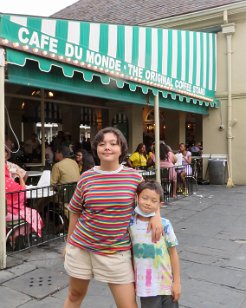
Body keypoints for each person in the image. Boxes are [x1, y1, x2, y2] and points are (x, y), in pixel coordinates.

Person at [63, 127, 163, 308]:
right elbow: (75, 211)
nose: (107, 147)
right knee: (75, 294)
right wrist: (69, 243)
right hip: (82, 247)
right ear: (96, 149)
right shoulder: (86, 178)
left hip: (116, 251)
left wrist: (156, 216)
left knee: (127, 304)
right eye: (102, 144)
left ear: (121, 149)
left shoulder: (133, 177)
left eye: (113, 143)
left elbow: (150, 198)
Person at [129, 180, 181, 308]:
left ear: (160, 204)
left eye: (153, 200)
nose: (148, 203)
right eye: (144, 198)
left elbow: (173, 254)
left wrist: (177, 282)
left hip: (167, 284)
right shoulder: (130, 225)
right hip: (146, 288)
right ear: (137, 197)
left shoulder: (165, 224)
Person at [5, 164, 43, 248]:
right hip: (9, 215)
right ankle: (14, 236)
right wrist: (20, 176)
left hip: (5, 213)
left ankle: (10, 237)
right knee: (33, 215)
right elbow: (22, 191)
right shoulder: (9, 183)